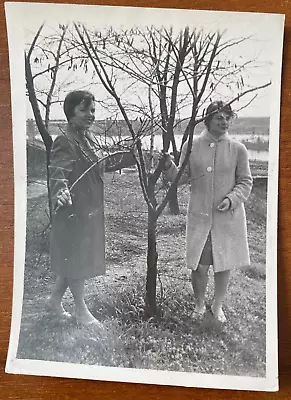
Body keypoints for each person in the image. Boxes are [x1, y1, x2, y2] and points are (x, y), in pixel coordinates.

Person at [46, 90, 135, 325]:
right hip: (73, 210)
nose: (91, 115)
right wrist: (61, 191)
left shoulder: (90, 138)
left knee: (75, 257)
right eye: (84, 110)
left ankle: (54, 299)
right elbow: (57, 172)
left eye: (93, 110)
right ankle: (80, 309)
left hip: (90, 209)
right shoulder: (65, 140)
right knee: (76, 258)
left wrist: (133, 155)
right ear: (70, 112)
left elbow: (106, 162)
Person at [163, 101, 253, 323]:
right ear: (208, 120)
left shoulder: (238, 149)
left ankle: (218, 305)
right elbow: (181, 178)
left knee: (224, 263)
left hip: (227, 217)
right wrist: (167, 166)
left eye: (227, 117)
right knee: (200, 265)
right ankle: (199, 305)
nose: (224, 122)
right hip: (200, 216)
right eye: (219, 118)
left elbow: (245, 182)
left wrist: (231, 199)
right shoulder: (191, 146)